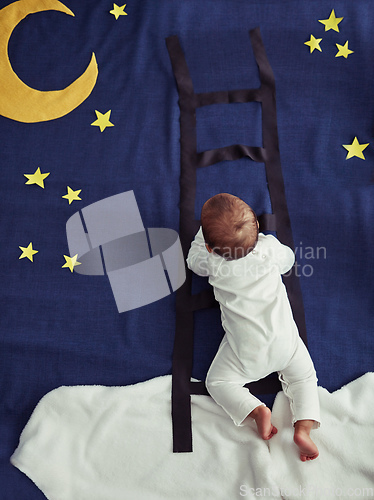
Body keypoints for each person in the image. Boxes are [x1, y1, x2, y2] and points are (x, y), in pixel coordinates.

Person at [186, 193, 320, 461]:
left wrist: (203, 236)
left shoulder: (211, 262)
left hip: (247, 352)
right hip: (286, 343)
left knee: (218, 381)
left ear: (210, 248)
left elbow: (193, 261)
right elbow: (288, 260)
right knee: (304, 379)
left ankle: (256, 410)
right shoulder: (268, 248)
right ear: (256, 229)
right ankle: (304, 427)